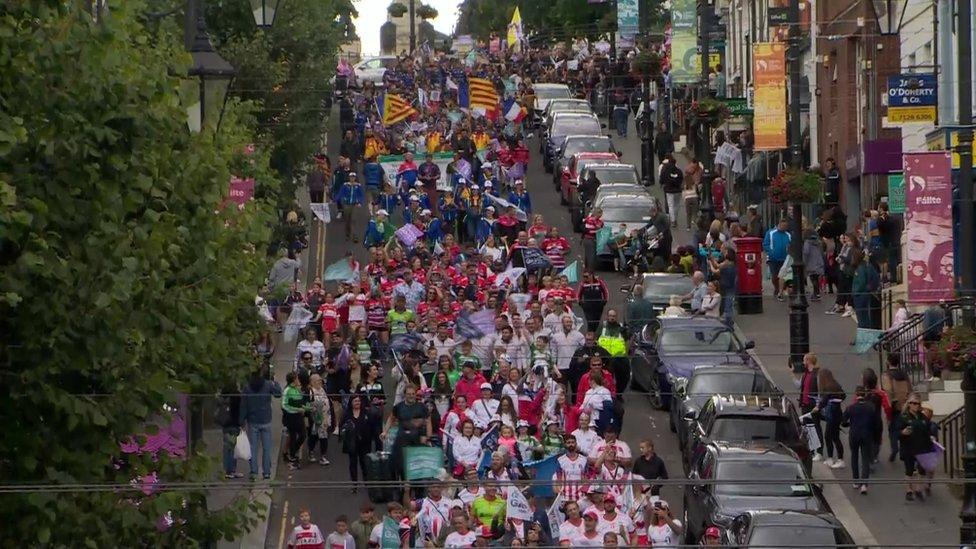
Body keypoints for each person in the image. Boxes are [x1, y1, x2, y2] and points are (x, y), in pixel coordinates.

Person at [900, 392, 935, 501]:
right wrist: (902, 432)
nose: (915, 405)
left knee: (921, 470)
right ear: (909, 404)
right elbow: (896, 432)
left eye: (917, 404)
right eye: (913, 403)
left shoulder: (923, 416)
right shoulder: (904, 417)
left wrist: (931, 437)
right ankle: (909, 490)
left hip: (921, 446)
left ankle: (919, 489)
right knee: (909, 470)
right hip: (908, 446)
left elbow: (928, 429)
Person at [844, 386, 879, 494]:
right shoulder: (871, 407)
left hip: (854, 435)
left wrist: (850, 424)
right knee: (865, 459)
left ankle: (855, 481)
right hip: (867, 435)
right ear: (865, 394)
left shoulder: (851, 407)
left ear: (856, 394)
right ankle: (864, 484)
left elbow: (843, 421)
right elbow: (875, 423)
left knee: (854, 456)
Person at [882, 354, 913, 461]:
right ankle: (904, 452)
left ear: (888, 362)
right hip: (905, 405)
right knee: (904, 427)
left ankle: (894, 448)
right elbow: (910, 389)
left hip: (894, 405)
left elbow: (888, 391)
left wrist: (889, 405)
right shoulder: (904, 374)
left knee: (892, 429)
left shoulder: (887, 375)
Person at [341, 394, 374, 492]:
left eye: (359, 401)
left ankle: (366, 482)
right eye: (355, 401)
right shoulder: (347, 414)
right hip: (352, 443)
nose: (357, 403)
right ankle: (354, 485)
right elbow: (342, 427)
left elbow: (372, 426)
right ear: (351, 403)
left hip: (365, 443)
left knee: (365, 463)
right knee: (353, 463)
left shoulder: (366, 412)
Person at [814, 368, 846, 469]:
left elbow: (824, 400)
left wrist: (817, 407)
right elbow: (843, 395)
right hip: (837, 414)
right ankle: (832, 458)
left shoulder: (827, 387)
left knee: (831, 436)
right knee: (832, 436)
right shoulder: (835, 384)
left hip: (831, 415)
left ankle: (837, 459)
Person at [796, 353, 823, 460]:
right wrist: (791, 374)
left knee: (816, 428)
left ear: (809, 361)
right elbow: (799, 386)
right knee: (807, 429)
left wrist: (818, 405)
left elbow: (820, 392)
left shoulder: (817, 375)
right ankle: (811, 450)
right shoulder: (805, 374)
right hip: (805, 404)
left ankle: (819, 452)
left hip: (813, 406)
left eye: (804, 360)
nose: (803, 363)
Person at [217, 384, 243, 479]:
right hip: (234, 424)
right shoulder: (236, 396)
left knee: (227, 448)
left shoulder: (223, 398)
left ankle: (226, 470)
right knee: (233, 448)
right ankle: (231, 470)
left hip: (225, 424)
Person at [762, 219, 791, 300]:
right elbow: (765, 244)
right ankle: (777, 288)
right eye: (783, 226)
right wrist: (771, 252)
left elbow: (790, 244)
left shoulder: (788, 235)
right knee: (774, 276)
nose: (784, 228)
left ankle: (780, 290)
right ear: (779, 224)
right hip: (772, 259)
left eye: (786, 226)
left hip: (784, 258)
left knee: (782, 276)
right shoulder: (771, 233)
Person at [307, 374, 332, 466]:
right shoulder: (310, 392)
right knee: (314, 437)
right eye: (318, 380)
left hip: (325, 418)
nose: (320, 382)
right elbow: (308, 404)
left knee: (324, 438)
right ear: (312, 382)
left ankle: (323, 456)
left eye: (320, 380)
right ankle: (311, 451)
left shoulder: (322, 390)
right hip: (315, 420)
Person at [802, 228, 825, 301]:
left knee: (813, 278)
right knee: (816, 278)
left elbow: (806, 252)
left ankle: (816, 293)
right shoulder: (818, 242)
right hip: (818, 261)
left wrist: (804, 261)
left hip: (811, 262)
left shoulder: (807, 242)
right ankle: (817, 293)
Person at [581, 207, 604, 271]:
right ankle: (589, 271)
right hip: (589, 239)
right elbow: (589, 231)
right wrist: (598, 231)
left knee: (592, 256)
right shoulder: (590, 220)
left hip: (595, 240)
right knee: (590, 256)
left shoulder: (600, 221)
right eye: (600, 213)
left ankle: (588, 271)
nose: (601, 215)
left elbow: (602, 228)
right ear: (596, 213)